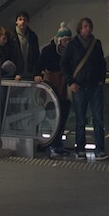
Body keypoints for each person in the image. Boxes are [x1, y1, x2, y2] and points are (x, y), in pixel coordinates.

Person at [62, 17, 108, 158]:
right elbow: (64, 63)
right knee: (81, 119)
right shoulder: (73, 45)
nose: (88, 29)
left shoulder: (96, 44)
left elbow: (102, 63)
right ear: (80, 29)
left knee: (98, 118)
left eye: (89, 26)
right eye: (85, 26)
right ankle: (80, 148)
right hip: (79, 86)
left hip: (94, 85)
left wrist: (101, 80)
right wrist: (70, 81)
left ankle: (99, 148)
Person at [38, 24, 73, 156]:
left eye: (68, 40)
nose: (66, 43)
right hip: (51, 86)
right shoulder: (48, 51)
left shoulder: (70, 51)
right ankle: (50, 142)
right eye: (65, 40)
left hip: (63, 86)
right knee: (50, 114)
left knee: (62, 115)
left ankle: (56, 143)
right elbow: (39, 64)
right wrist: (37, 74)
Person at [12, 12, 40, 80]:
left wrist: (37, 73)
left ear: (28, 22)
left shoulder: (33, 36)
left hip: (31, 74)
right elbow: (9, 56)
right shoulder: (11, 36)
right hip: (16, 75)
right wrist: (14, 73)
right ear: (16, 21)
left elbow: (36, 56)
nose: (22, 22)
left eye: (25, 20)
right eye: (20, 19)